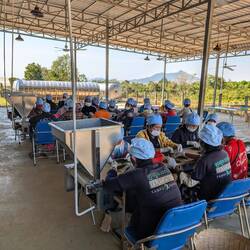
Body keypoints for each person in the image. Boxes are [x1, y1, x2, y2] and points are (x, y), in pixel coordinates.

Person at [102, 138, 182, 240]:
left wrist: (113, 169)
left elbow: (108, 184)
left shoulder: (137, 175)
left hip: (152, 233)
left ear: (134, 159)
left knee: (128, 198)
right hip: (176, 225)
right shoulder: (163, 167)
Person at [180, 124, 232, 201]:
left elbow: (190, 182)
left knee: (182, 185)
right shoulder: (224, 153)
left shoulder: (204, 160)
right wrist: (184, 153)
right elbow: (209, 160)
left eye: (200, 140)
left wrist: (179, 171)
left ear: (204, 143)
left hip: (209, 197)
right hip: (224, 194)